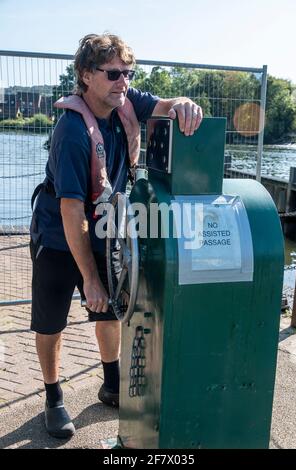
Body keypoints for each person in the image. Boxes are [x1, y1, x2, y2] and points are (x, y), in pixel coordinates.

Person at [30, 33, 203, 439]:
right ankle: (53, 397)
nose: (123, 81)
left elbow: (162, 106)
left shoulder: (123, 101)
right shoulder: (71, 133)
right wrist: (87, 277)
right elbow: (71, 212)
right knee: (51, 321)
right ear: (86, 75)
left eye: (128, 72)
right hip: (59, 234)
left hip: (106, 228)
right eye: (113, 73)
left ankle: (112, 383)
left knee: (110, 309)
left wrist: (182, 103)